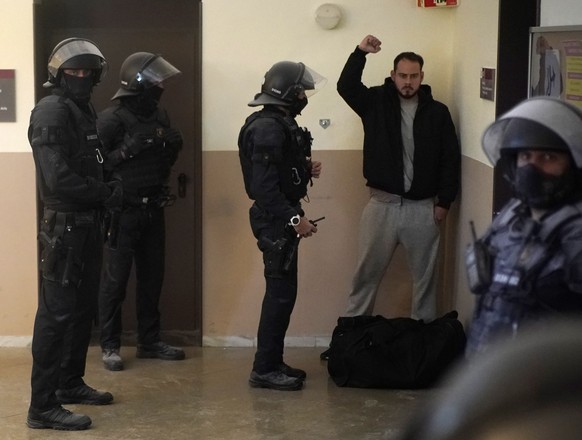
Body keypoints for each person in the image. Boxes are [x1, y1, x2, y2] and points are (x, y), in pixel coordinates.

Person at [27, 37, 120, 431]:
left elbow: (93, 162)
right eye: (74, 71)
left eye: (87, 72)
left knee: (83, 310)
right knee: (56, 315)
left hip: (87, 224)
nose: (81, 77)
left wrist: (111, 180)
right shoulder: (51, 110)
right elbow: (58, 178)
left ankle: (69, 383)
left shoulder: (81, 109)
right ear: (58, 75)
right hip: (65, 227)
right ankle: (42, 406)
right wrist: (103, 191)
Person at [336, 35, 461, 322]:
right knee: (365, 277)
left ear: (422, 77)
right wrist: (360, 53)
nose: (408, 81)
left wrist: (444, 203)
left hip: (423, 209)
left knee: (425, 283)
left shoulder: (437, 112)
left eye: (413, 76)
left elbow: (449, 159)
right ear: (393, 75)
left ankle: (424, 345)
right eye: (402, 75)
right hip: (381, 206)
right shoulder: (375, 103)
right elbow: (346, 87)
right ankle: (351, 337)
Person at [465, 97, 582, 357]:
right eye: (525, 156)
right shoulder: (512, 214)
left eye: (548, 157)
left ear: (573, 164)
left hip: (551, 388)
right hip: (494, 377)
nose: (532, 167)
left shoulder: (576, 232)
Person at [238, 61, 326, 390]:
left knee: (283, 295)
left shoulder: (277, 124)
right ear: (287, 92)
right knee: (278, 296)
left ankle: (272, 362)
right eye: (301, 90)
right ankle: (264, 369)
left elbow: (277, 169)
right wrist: (294, 219)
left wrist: (303, 168)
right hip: (276, 222)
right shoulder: (267, 127)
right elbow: (263, 188)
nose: (305, 95)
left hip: (280, 219)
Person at [98, 52, 185, 371]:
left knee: (152, 278)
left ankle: (149, 341)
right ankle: (110, 345)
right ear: (139, 83)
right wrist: (127, 149)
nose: (162, 85)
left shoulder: (160, 115)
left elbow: (162, 161)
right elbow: (93, 166)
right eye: (157, 81)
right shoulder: (111, 118)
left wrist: (172, 146)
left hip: (153, 207)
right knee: (115, 281)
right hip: (123, 212)